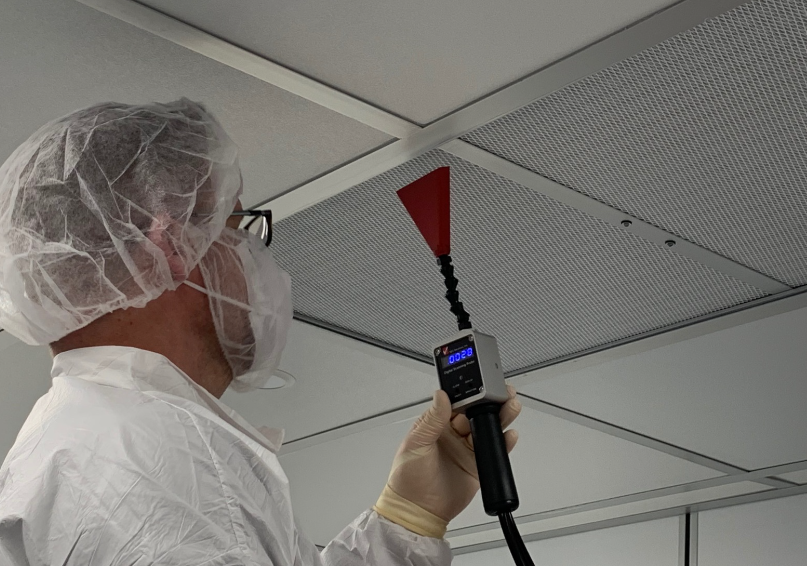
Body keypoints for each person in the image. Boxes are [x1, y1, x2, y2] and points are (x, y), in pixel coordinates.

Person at [0, 99, 522, 565]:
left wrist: (410, 518)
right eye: (238, 226)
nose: (253, 255)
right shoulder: (161, 468)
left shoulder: (91, 450)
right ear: (171, 245)